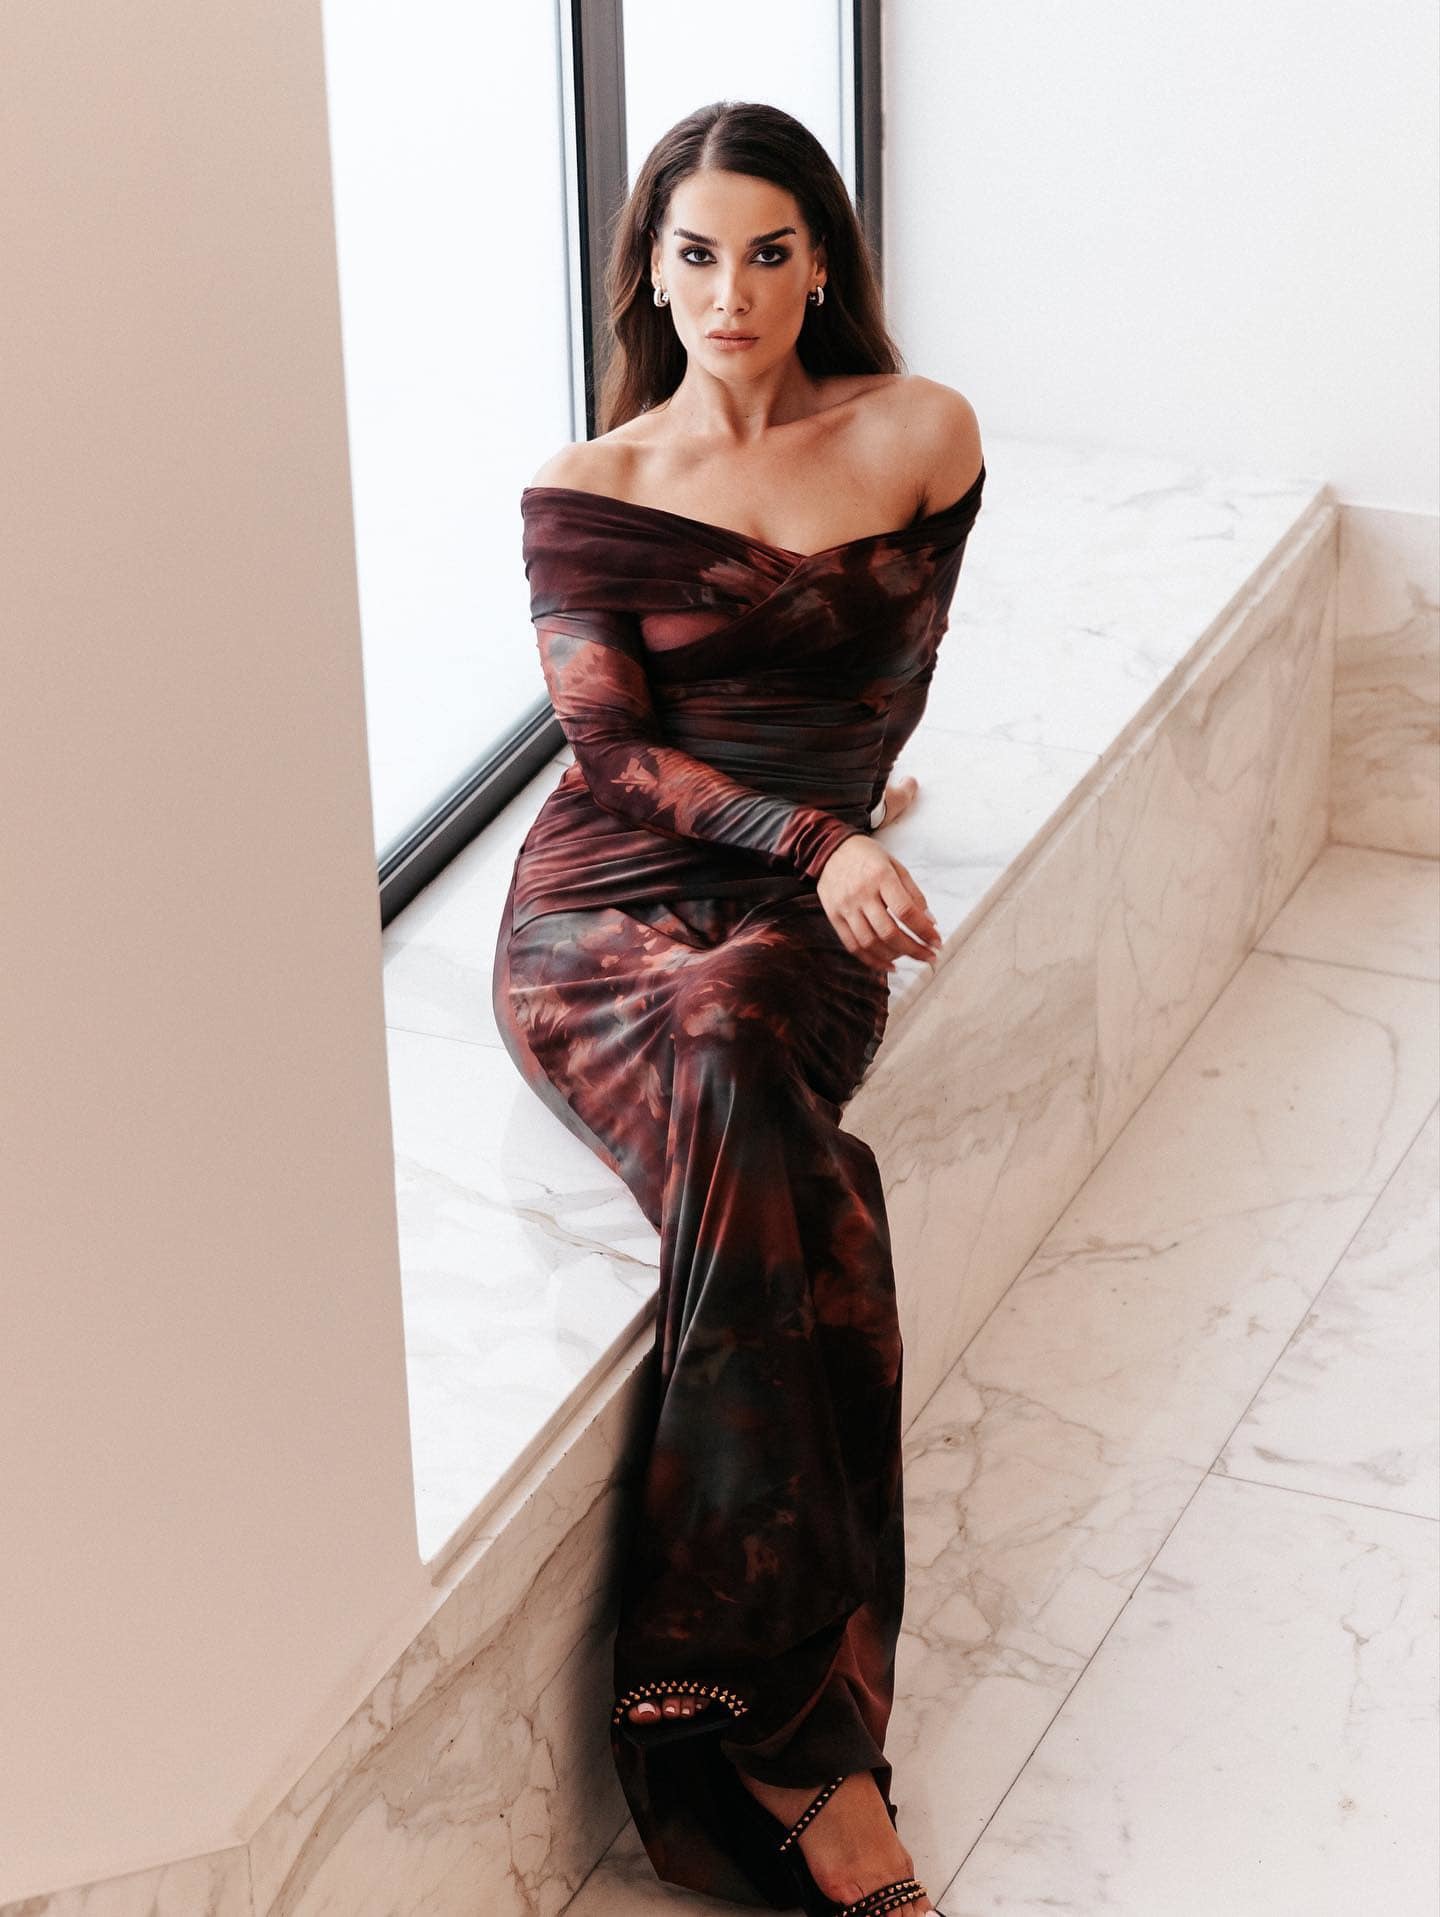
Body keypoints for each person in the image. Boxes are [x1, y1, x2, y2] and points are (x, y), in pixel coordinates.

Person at [492, 99, 984, 1917]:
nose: (733, 293)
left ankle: (740, 1694)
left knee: (757, 1060)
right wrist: (822, 829)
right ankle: (797, 1734)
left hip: (799, 912)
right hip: (603, 911)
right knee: (784, 1152)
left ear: (823, 261)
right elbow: (610, 753)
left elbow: (880, 665)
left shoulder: (922, 435)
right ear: (649, 270)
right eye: (696, 255)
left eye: (770, 252)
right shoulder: (591, 485)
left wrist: (857, 798)